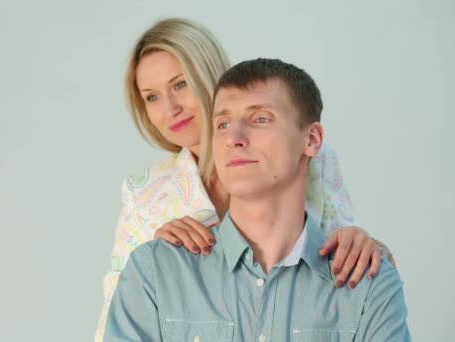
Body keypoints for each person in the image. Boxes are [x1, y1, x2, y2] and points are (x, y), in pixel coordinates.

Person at [95, 18, 392, 341]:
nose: (171, 109)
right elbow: (118, 310)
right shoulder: (145, 194)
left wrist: (364, 242)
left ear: (208, 74)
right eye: (151, 97)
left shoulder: (308, 157)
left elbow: (350, 257)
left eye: (180, 84)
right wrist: (158, 251)